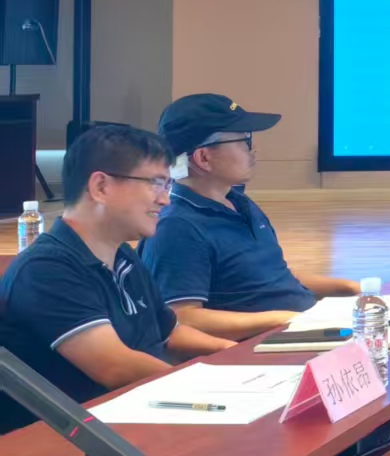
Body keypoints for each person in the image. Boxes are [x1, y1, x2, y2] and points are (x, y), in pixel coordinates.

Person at [0, 124, 232, 434]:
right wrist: (213, 391)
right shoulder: (45, 269)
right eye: (156, 183)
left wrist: (233, 355)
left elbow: (169, 333)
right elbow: (116, 366)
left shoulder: (122, 255)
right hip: (72, 442)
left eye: (167, 184)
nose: (165, 200)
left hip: (134, 416)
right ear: (101, 187)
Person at [141, 93, 359, 340]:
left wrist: (350, 288)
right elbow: (182, 317)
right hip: (264, 345)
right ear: (203, 158)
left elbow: (273, 279)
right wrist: (285, 320)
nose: (254, 150)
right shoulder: (177, 227)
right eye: (245, 141)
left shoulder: (238, 201)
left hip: (303, 329)